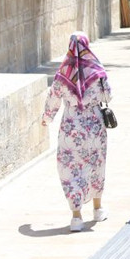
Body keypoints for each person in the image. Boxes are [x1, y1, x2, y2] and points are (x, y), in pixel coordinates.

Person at [42, 32, 112, 232]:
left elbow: (53, 99)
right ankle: (98, 209)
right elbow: (108, 95)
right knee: (96, 165)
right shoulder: (97, 71)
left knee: (71, 169)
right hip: (95, 127)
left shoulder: (63, 75)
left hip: (71, 128)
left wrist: (46, 118)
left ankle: (76, 217)